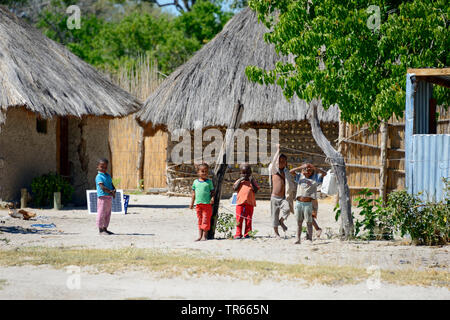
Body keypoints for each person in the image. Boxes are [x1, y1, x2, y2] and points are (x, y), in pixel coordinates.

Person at [289, 163, 320, 244]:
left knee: (309, 222)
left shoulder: (315, 178)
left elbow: (325, 173)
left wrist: (313, 167)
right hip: (299, 203)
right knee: (299, 222)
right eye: (306, 169)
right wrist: (300, 167)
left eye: (310, 170)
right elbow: (290, 171)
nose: (308, 171)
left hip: (308, 204)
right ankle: (298, 239)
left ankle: (309, 239)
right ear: (302, 170)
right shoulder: (299, 176)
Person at [268, 144, 290, 238]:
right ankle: (276, 233)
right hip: (274, 198)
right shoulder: (274, 171)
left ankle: (281, 221)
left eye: (283, 161)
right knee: (274, 216)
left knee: (287, 209)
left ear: (286, 163)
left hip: (283, 198)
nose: (281, 163)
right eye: (279, 161)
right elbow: (273, 162)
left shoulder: (286, 172)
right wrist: (277, 150)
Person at [233, 164, 260, 239]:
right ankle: (238, 233)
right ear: (240, 173)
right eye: (243, 173)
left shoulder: (252, 181)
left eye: (247, 173)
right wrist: (240, 180)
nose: (245, 175)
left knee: (248, 219)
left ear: (250, 173)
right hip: (240, 204)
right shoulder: (239, 181)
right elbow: (235, 188)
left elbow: (256, 190)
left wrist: (251, 181)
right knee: (239, 219)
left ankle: (248, 233)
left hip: (249, 204)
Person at [189, 163, 215, 241]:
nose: (204, 173)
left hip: (207, 205)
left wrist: (212, 198)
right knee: (200, 219)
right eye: (202, 171)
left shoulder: (209, 182)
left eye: (206, 171)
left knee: (205, 220)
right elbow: (193, 194)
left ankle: (204, 236)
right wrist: (192, 204)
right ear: (198, 172)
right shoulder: (195, 182)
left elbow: (213, 192)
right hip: (198, 205)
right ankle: (199, 236)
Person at [95, 158, 116, 235]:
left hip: (109, 197)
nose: (103, 169)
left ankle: (105, 228)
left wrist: (114, 190)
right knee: (101, 213)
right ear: (97, 167)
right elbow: (102, 187)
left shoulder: (108, 176)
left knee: (107, 213)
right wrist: (110, 192)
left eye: (105, 167)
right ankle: (100, 229)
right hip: (102, 197)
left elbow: (111, 184)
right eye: (101, 167)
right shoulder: (99, 176)